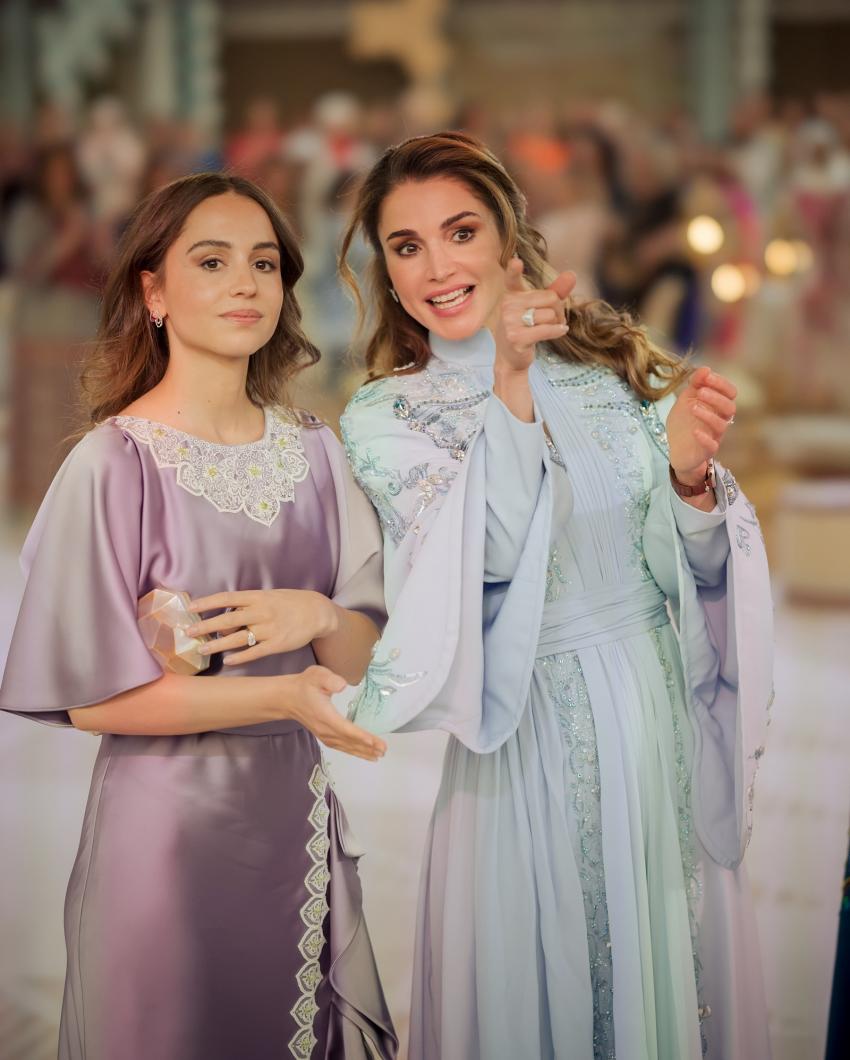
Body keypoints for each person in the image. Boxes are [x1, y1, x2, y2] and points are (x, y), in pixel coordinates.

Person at [332, 131, 773, 1059]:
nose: (437, 267)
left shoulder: (609, 376)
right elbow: (491, 558)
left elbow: (681, 572)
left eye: (460, 232)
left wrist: (690, 481)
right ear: (389, 274)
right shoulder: (387, 415)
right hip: (524, 736)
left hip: (654, 723)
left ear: (509, 242)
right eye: (407, 246)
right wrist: (508, 381)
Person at [0, 173, 397, 1060]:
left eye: (264, 263)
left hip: (292, 827)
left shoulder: (318, 453)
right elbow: (91, 701)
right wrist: (280, 696)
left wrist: (316, 612)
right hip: (161, 844)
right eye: (211, 262)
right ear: (154, 292)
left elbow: (358, 653)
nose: (244, 283)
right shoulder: (112, 464)